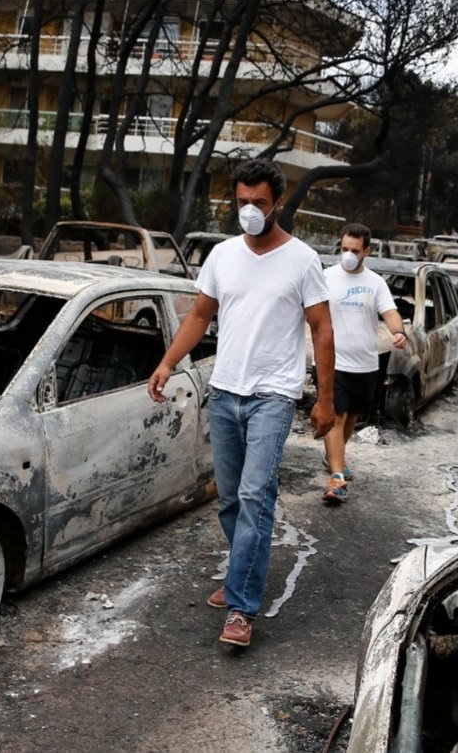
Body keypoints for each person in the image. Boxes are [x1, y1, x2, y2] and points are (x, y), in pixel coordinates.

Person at [147, 158, 335, 648]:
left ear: (277, 203)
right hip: (225, 390)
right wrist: (168, 362)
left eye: (259, 202)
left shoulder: (302, 261)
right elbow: (199, 315)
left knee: (256, 497)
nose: (249, 210)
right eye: (242, 202)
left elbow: (321, 329)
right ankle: (241, 573)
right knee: (230, 499)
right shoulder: (223, 255)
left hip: (273, 395)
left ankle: (241, 607)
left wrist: (324, 399)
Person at [321, 223, 406, 504]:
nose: (347, 254)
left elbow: (390, 312)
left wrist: (399, 332)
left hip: (366, 363)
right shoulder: (325, 277)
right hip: (333, 361)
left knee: (353, 417)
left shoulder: (375, 282)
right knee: (337, 416)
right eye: (344, 249)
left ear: (366, 251)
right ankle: (336, 478)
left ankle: (336, 458)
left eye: (354, 250)